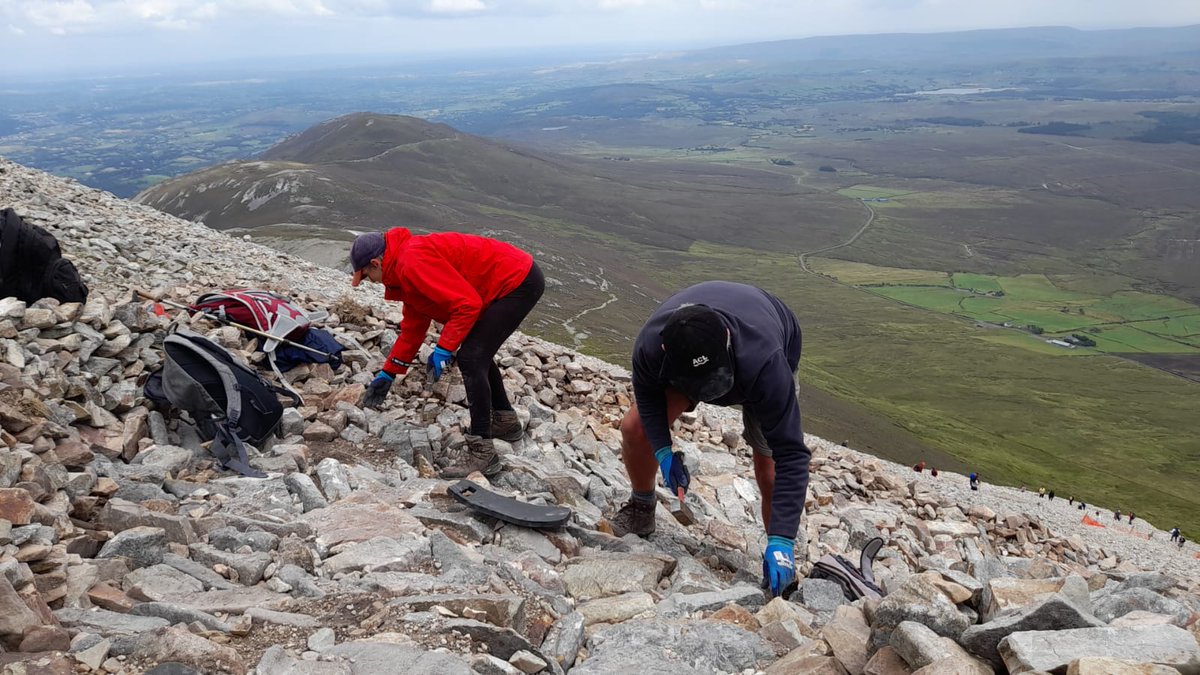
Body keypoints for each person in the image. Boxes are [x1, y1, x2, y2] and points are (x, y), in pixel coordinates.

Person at [609, 281, 808, 598]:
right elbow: (648, 402)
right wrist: (663, 452)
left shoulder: (767, 362)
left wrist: (783, 539)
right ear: (665, 354)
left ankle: (780, 562)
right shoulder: (650, 346)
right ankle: (641, 507)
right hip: (696, 358)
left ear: (728, 340)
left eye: (716, 381)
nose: (713, 396)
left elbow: (792, 455)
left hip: (760, 356)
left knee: (769, 468)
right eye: (700, 387)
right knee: (635, 427)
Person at [349, 228, 545, 478]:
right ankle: (505, 422)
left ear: (376, 263)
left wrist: (444, 348)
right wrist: (389, 373)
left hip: (516, 281)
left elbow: (467, 305)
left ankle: (482, 452)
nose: (372, 282)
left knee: (472, 356)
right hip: (512, 277)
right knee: (477, 352)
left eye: (367, 275)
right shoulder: (403, 270)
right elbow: (412, 330)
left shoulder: (412, 262)